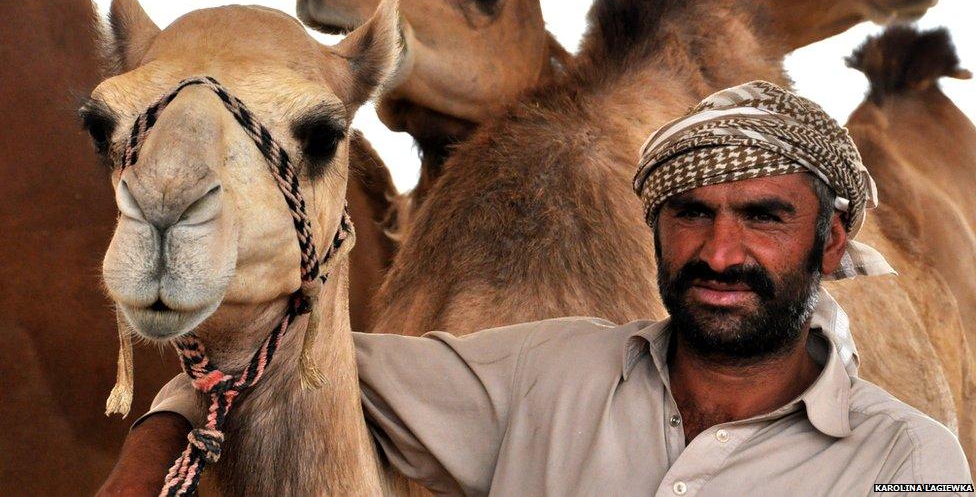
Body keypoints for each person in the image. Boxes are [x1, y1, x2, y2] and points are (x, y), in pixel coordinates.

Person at [99, 82, 972, 495]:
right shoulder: (542, 376)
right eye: (691, 213)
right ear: (657, 228)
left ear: (831, 242)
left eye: (765, 217)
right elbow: (278, 360)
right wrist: (155, 449)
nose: (721, 249)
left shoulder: (909, 461)